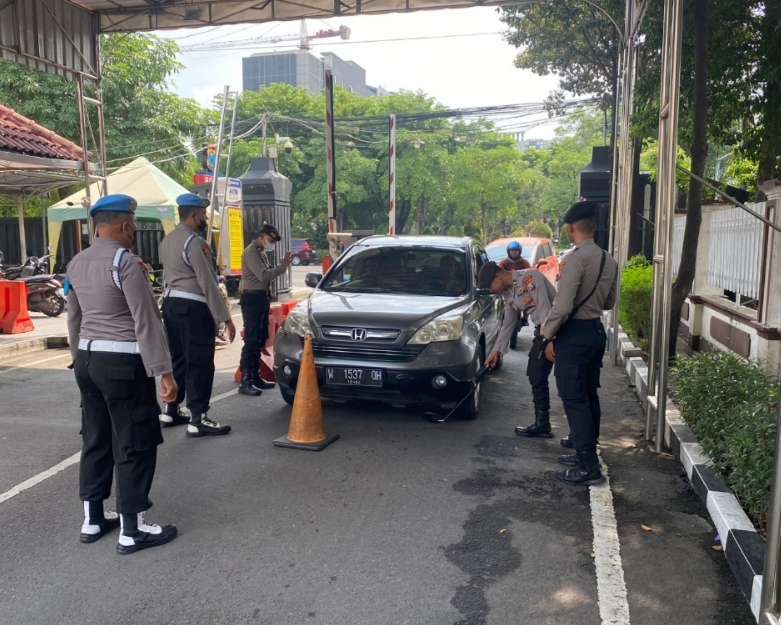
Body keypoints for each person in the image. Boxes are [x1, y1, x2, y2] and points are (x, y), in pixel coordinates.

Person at [66, 193, 178, 554]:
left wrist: (78, 359)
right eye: (134, 226)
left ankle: (94, 518)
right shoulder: (126, 262)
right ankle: (133, 529)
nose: (134, 232)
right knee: (134, 441)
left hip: (87, 360)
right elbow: (146, 319)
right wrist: (163, 371)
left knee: (96, 438)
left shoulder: (76, 262)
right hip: (122, 363)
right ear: (127, 226)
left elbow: (74, 317)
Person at [541, 201, 618, 486]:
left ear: (571, 227)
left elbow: (562, 307)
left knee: (574, 397)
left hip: (574, 336)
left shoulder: (574, 259)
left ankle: (588, 465)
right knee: (588, 394)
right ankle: (587, 452)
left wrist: (546, 334)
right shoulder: (609, 260)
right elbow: (609, 302)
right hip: (595, 332)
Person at [159, 193, 236, 436]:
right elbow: (207, 281)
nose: (205, 219)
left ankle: (171, 410)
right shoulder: (195, 242)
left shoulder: (168, 240)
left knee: (179, 359)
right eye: (203, 215)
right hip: (193, 307)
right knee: (199, 362)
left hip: (171, 305)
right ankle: (198, 418)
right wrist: (225, 317)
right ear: (193, 216)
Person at [479, 263, 558, 438]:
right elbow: (508, 323)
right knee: (536, 374)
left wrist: (549, 340)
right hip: (543, 332)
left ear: (498, 276)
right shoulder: (508, 293)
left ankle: (579, 436)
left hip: (558, 329)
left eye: (490, 285)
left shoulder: (530, 277)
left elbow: (545, 309)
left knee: (568, 383)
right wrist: (496, 351)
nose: (491, 290)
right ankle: (542, 424)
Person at [238, 224, 292, 396]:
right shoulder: (251, 252)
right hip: (252, 299)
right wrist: (282, 266)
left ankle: (255, 376)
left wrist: (280, 266)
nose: (271, 244)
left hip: (261, 298)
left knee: (260, 338)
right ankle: (246, 380)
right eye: (270, 240)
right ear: (261, 236)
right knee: (252, 339)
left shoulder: (260, 252)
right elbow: (263, 275)